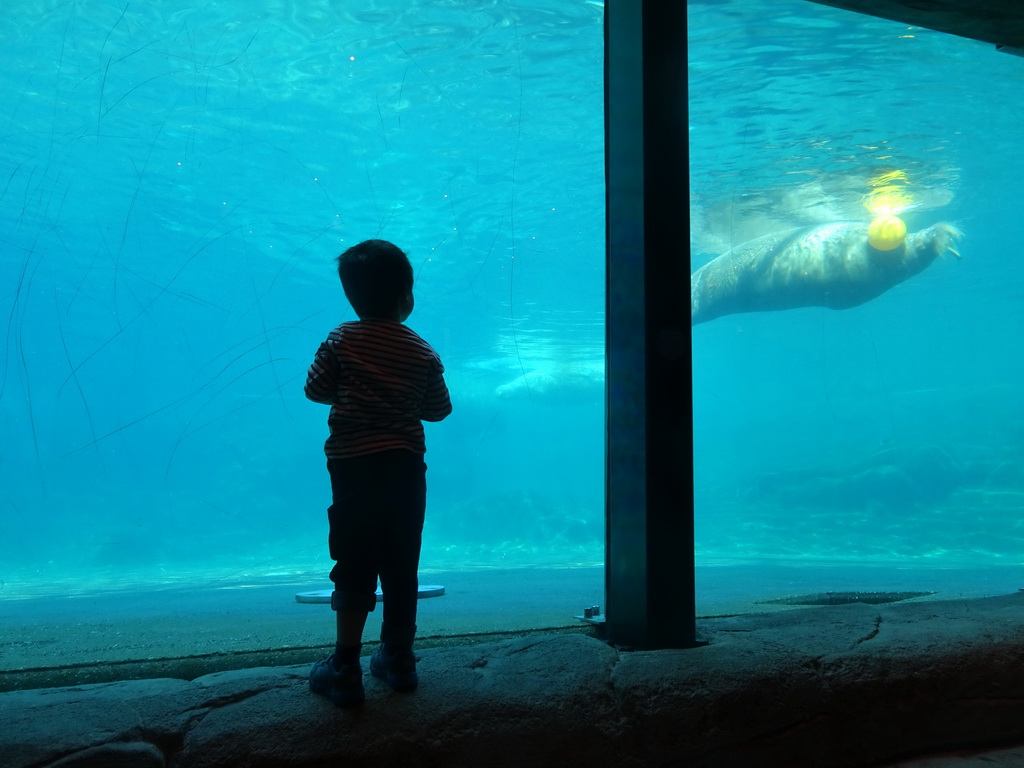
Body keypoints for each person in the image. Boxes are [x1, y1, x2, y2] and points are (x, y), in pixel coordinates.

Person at [305, 239, 452, 707]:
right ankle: (399, 659)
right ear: (407, 296)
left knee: (354, 564)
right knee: (401, 565)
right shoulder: (422, 350)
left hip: (353, 469)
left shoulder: (340, 339)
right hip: (405, 470)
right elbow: (439, 410)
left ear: (352, 297)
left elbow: (315, 390)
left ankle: (344, 666)